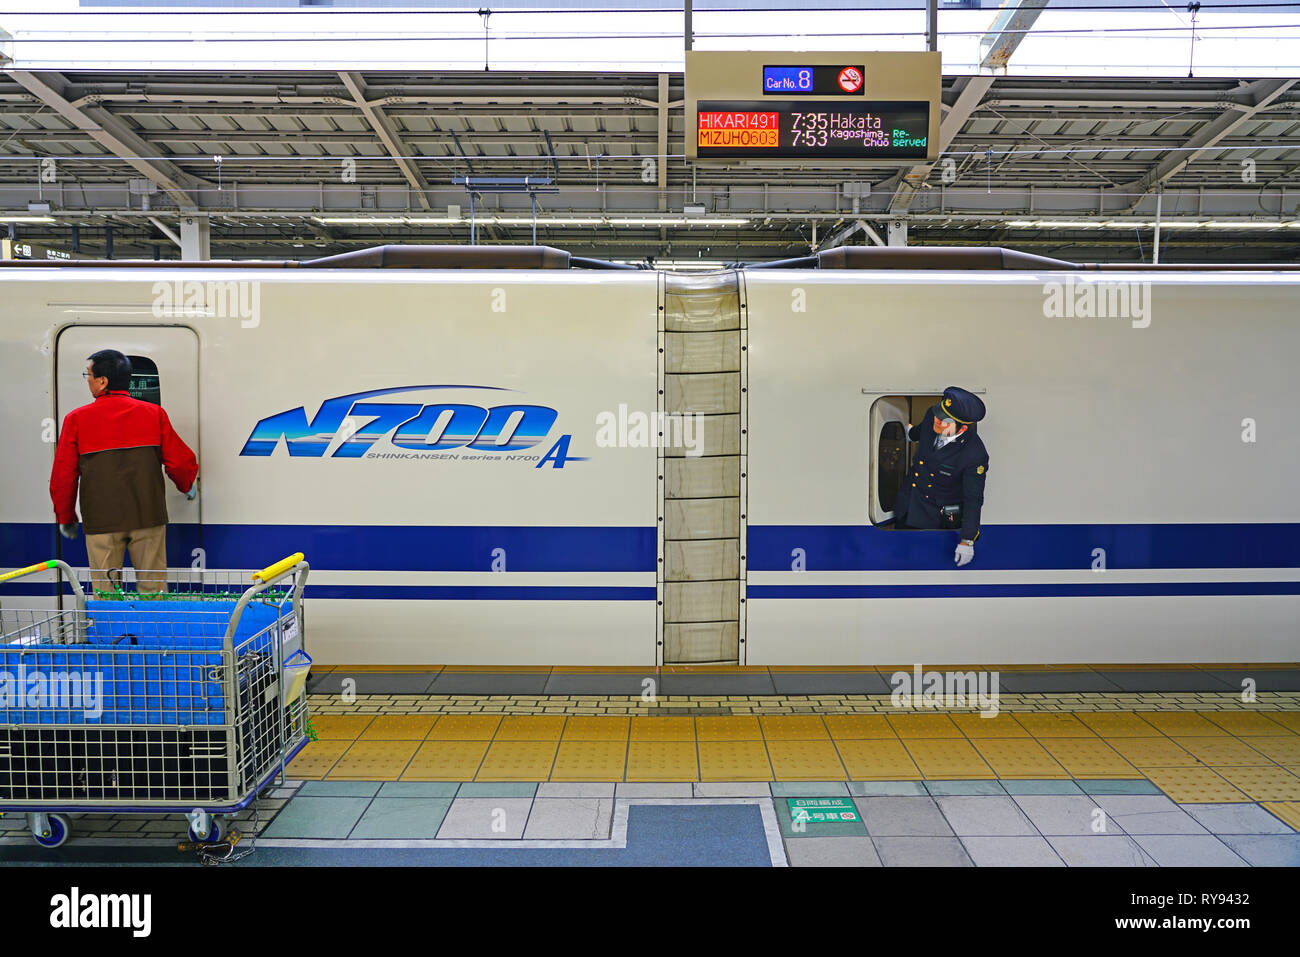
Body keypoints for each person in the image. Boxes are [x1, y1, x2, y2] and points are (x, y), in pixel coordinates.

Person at [49, 349, 199, 594]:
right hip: (148, 517)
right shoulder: (154, 414)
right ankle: (151, 633)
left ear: (102, 381)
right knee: (153, 591)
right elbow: (180, 463)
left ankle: (110, 633)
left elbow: (63, 477)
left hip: (102, 522)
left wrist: (66, 517)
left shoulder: (76, 420)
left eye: (88, 375)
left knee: (106, 593)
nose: (87, 380)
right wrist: (188, 486)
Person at [893, 386, 989, 567]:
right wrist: (909, 433)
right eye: (939, 414)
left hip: (934, 519)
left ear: (962, 429)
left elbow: (973, 499)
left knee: (923, 566)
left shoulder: (974, 454)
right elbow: (922, 431)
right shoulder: (934, 417)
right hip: (908, 504)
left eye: (945, 421)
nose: (937, 421)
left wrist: (967, 540)